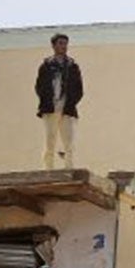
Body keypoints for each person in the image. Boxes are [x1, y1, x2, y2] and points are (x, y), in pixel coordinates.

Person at [37, 31, 83, 169]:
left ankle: (68, 168)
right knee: (50, 140)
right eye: (61, 43)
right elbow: (39, 87)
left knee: (69, 142)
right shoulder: (46, 66)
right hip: (50, 108)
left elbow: (79, 89)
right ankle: (48, 169)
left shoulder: (72, 66)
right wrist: (47, 101)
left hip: (67, 108)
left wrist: (70, 103)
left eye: (65, 44)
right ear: (54, 46)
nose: (64, 47)